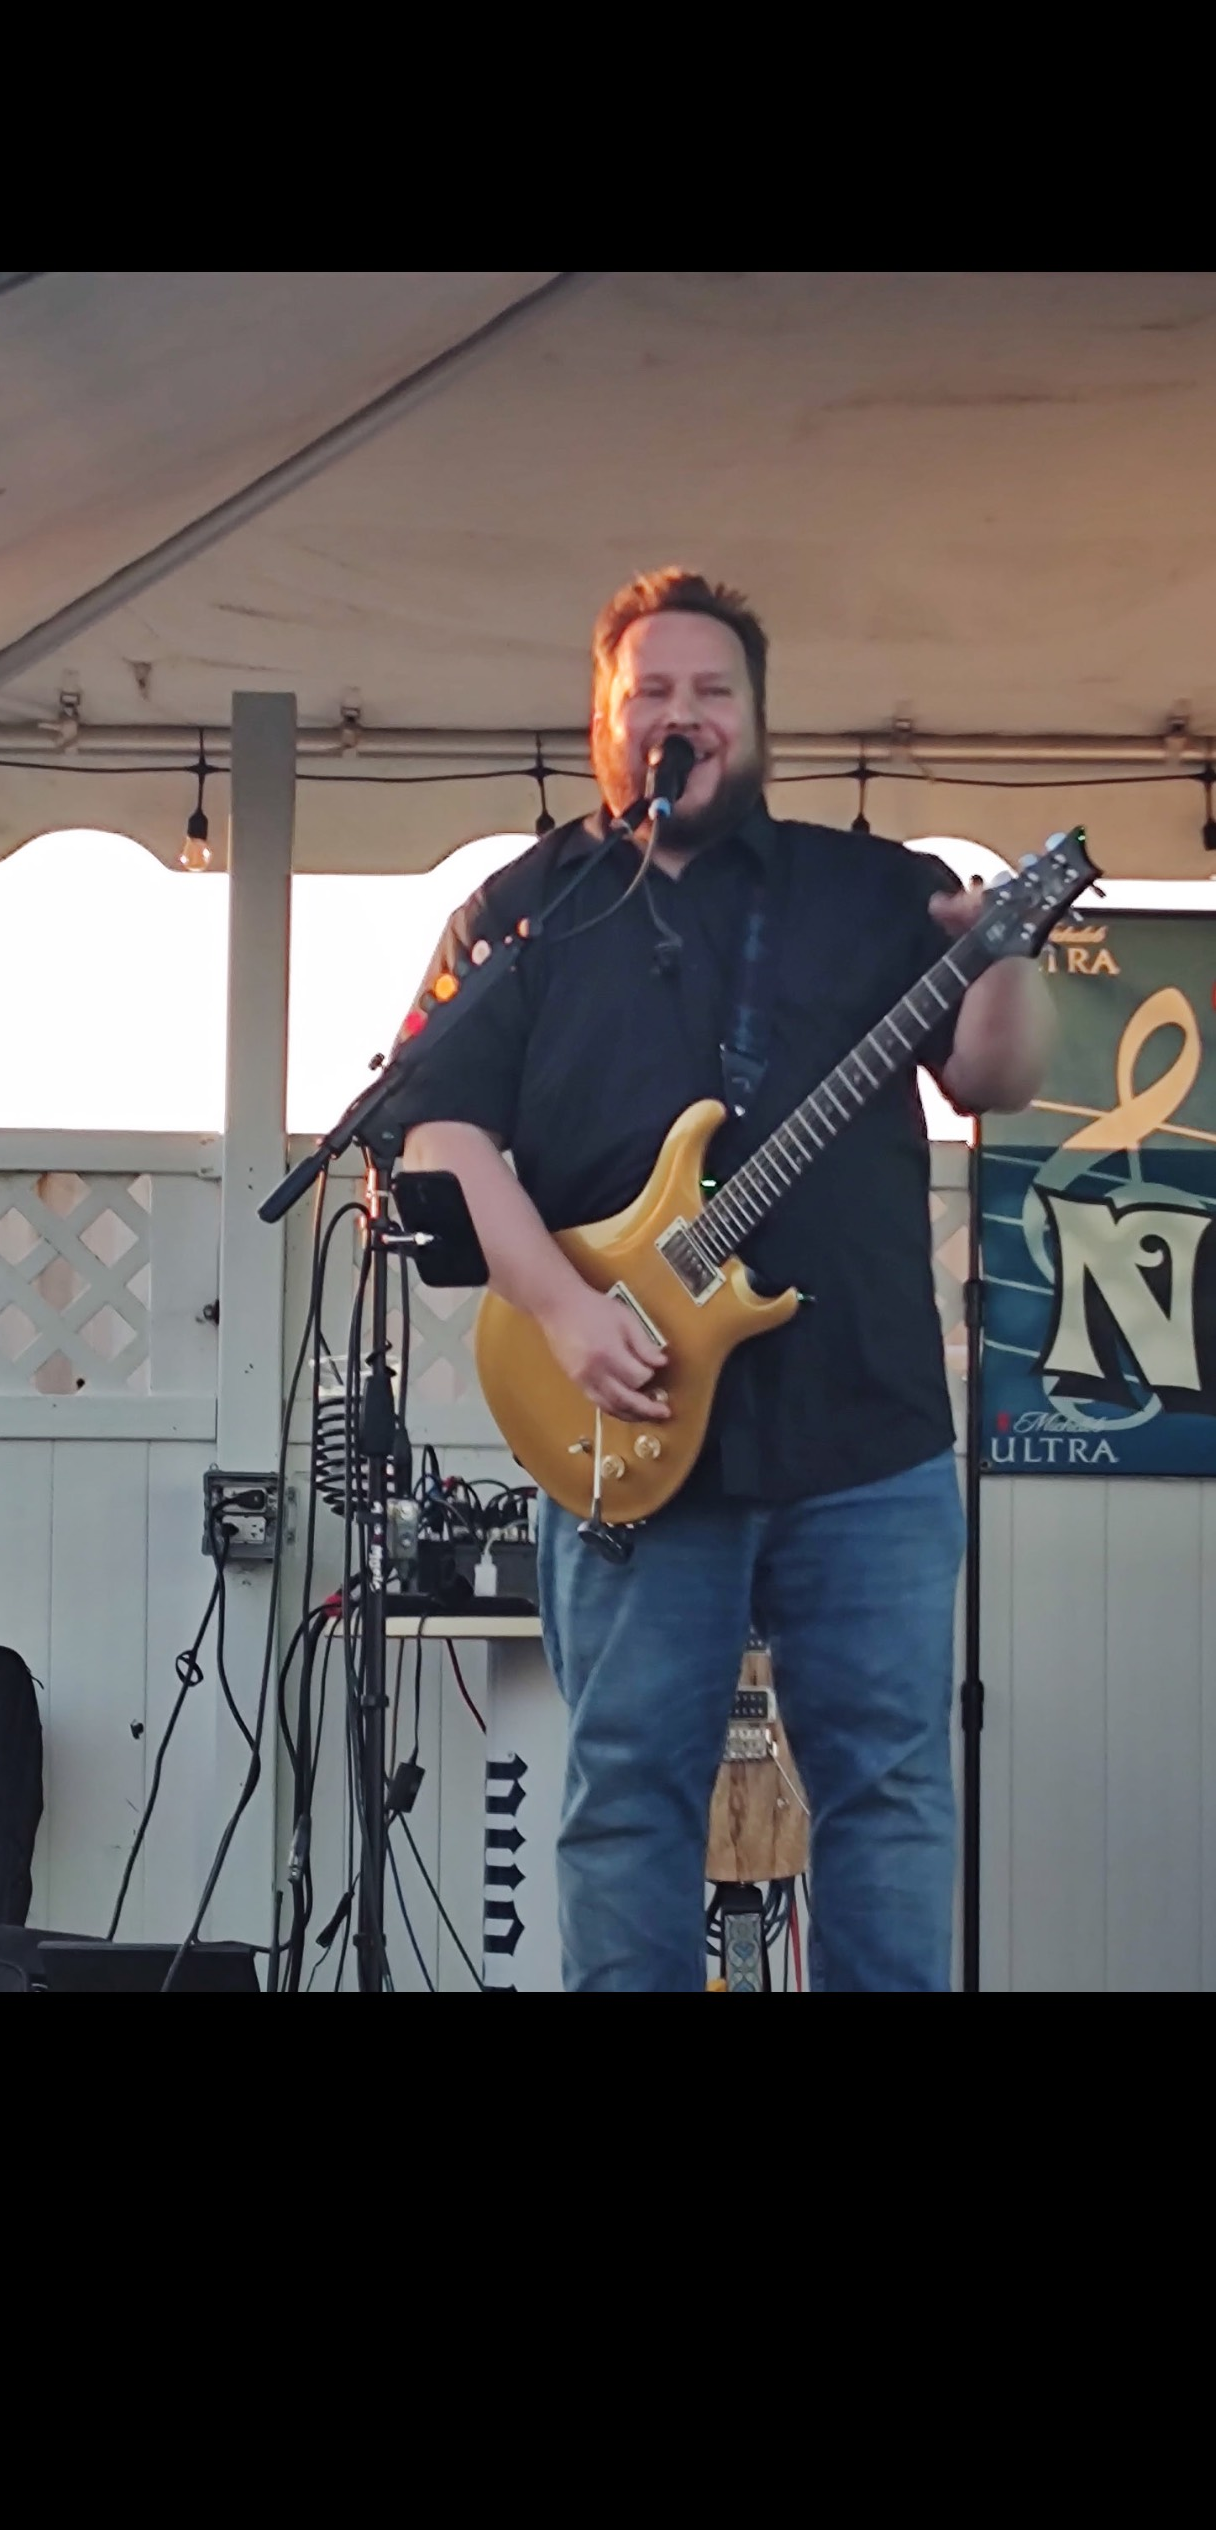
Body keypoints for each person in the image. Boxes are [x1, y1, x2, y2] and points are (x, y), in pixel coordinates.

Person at [401, 570, 1052, 1992]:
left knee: (889, 1794)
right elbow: (438, 1130)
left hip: (862, 1426)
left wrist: (1000, 961)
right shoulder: (525, 911)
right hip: (626, 1428)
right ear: (604, 719)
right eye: (651, 692)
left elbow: (996, 1074)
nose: (680, 715)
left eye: (712, 691)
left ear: (756, 720)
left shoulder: (876, 891)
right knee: (628, 1798)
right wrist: (563, 1310)